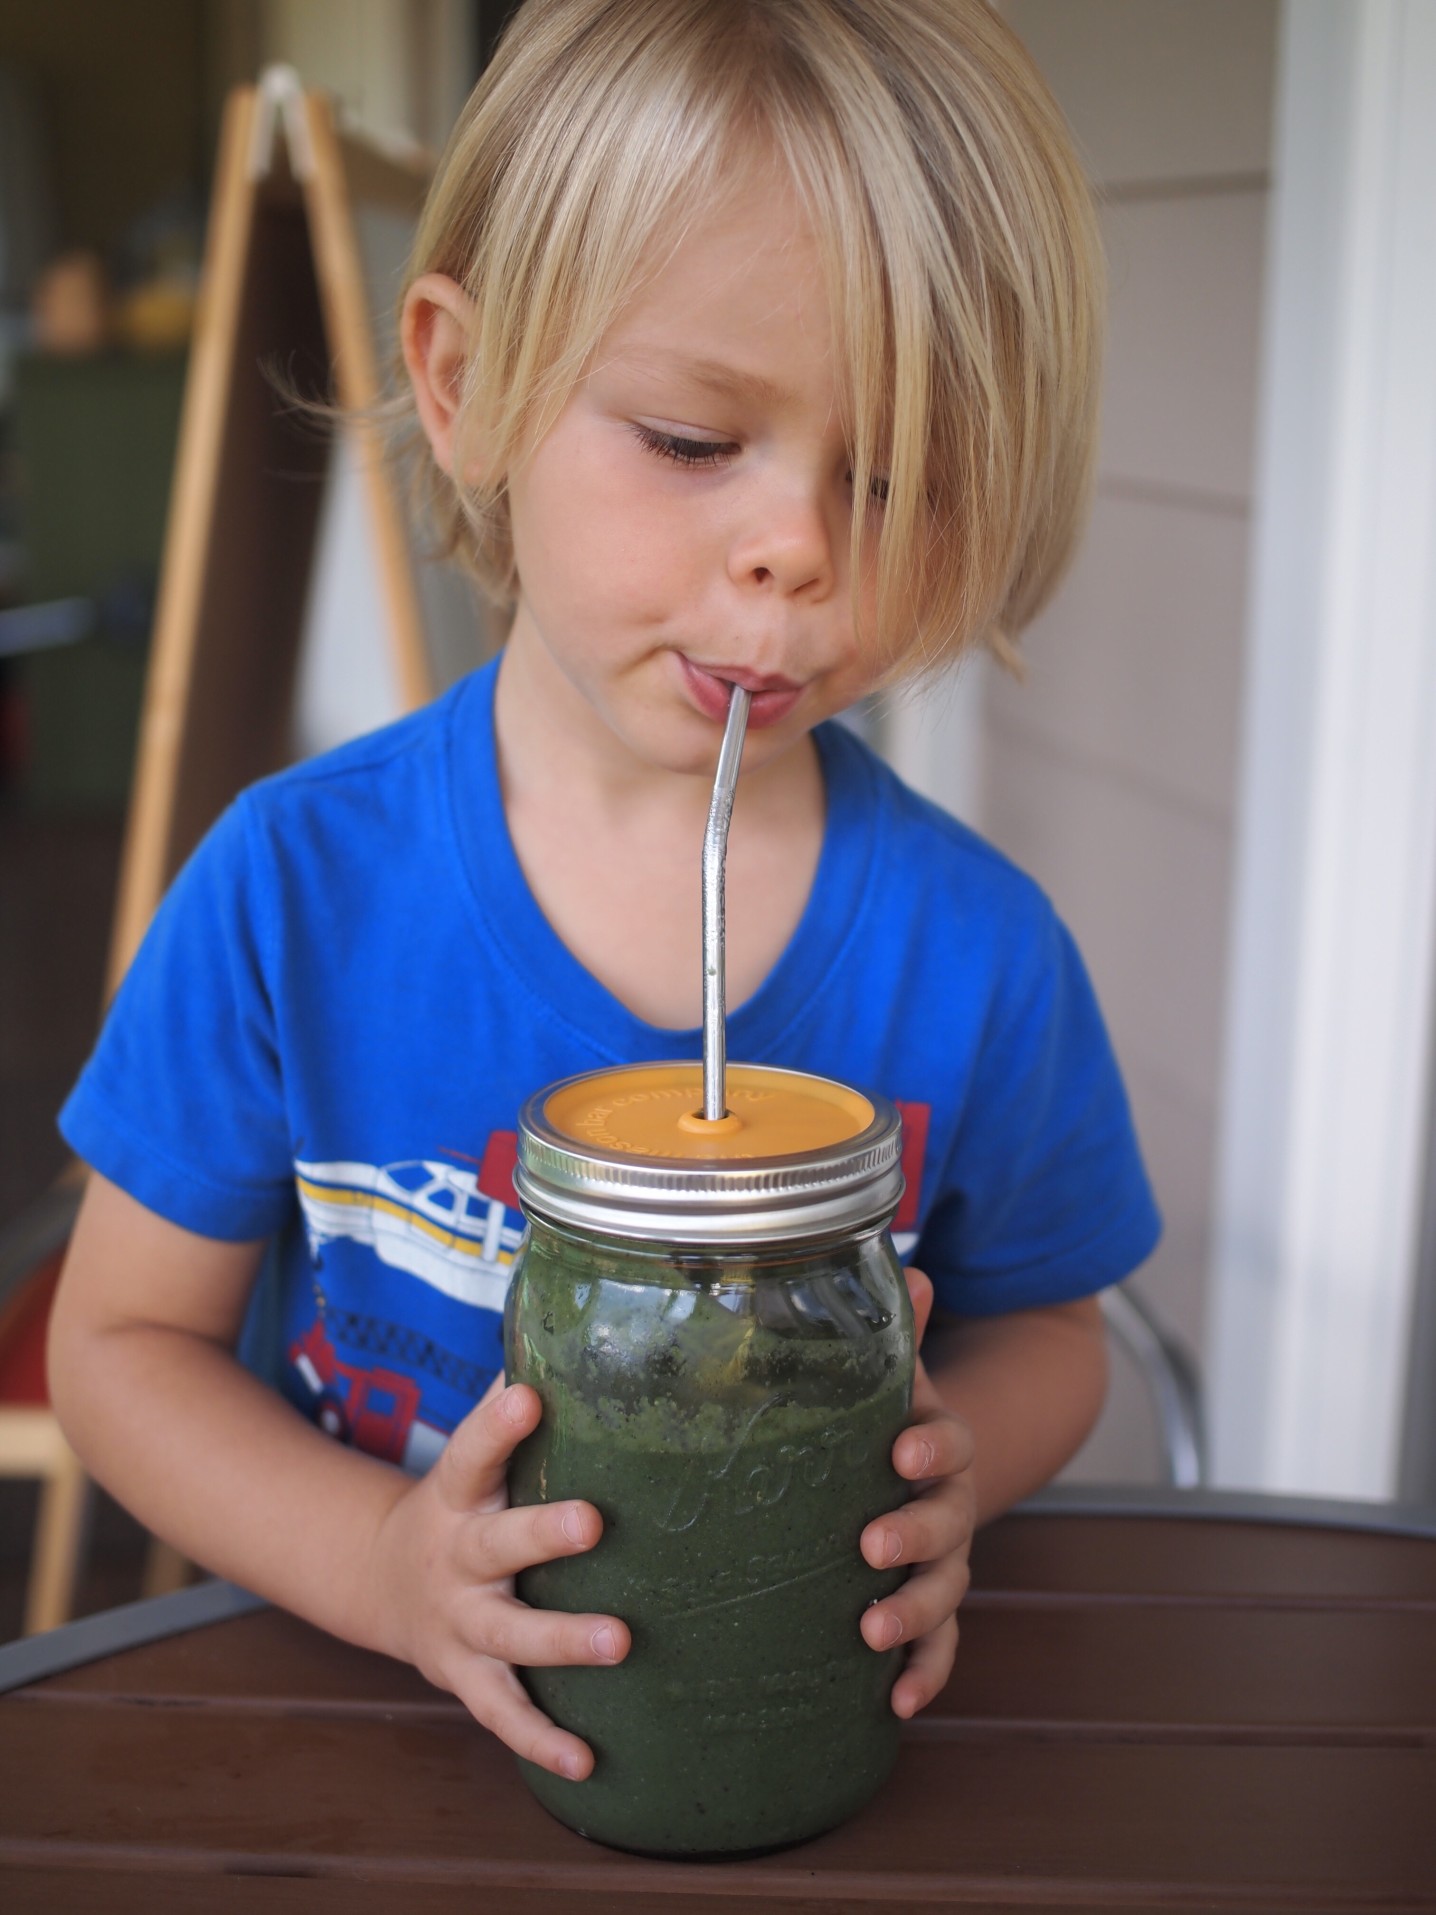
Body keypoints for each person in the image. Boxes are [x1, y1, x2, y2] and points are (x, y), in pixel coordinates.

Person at [49, 0, 1159, 1787]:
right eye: (693, 439)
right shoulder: (293, 888)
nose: (799, 546)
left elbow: (1049, 1325)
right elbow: (117, 1349)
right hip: (350, 1726)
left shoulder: (980, 951)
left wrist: (956, 1466)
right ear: (467, 382)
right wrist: (380, 1566)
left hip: (786, 1715)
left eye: (894, 476)